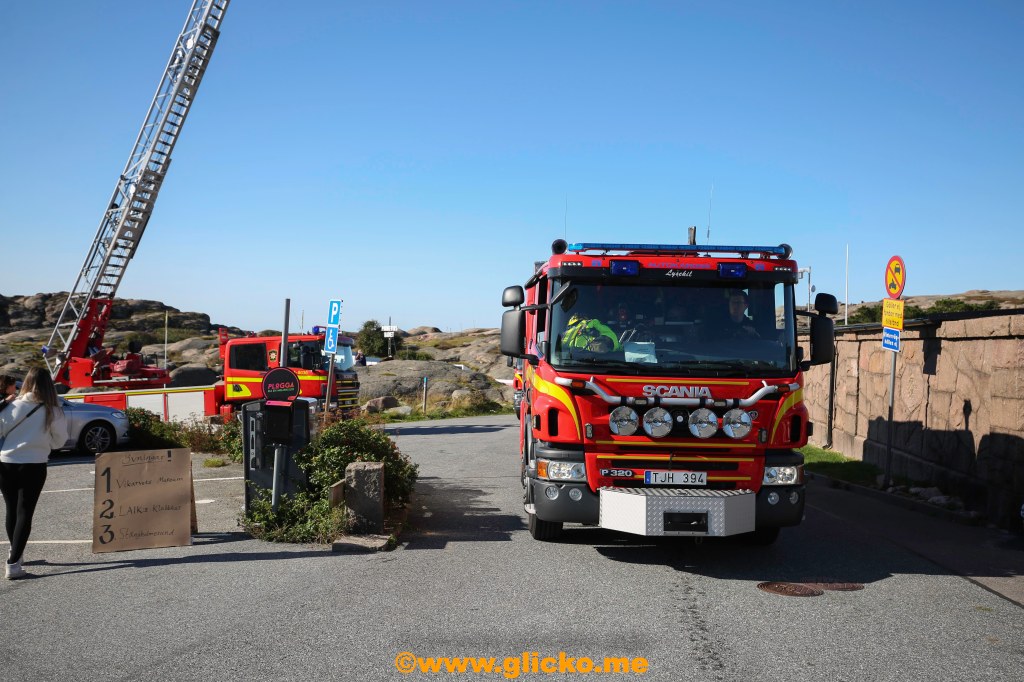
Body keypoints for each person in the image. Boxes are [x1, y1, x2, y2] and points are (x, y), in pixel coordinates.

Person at [0, 368, 68, 580]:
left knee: (11, 510)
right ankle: (13, 564)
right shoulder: (52, 410)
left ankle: (16, 555)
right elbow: (60, 441)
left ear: (27, 382)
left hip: (6, 462)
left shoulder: (12, 405)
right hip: (35, 464)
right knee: (25, 512)